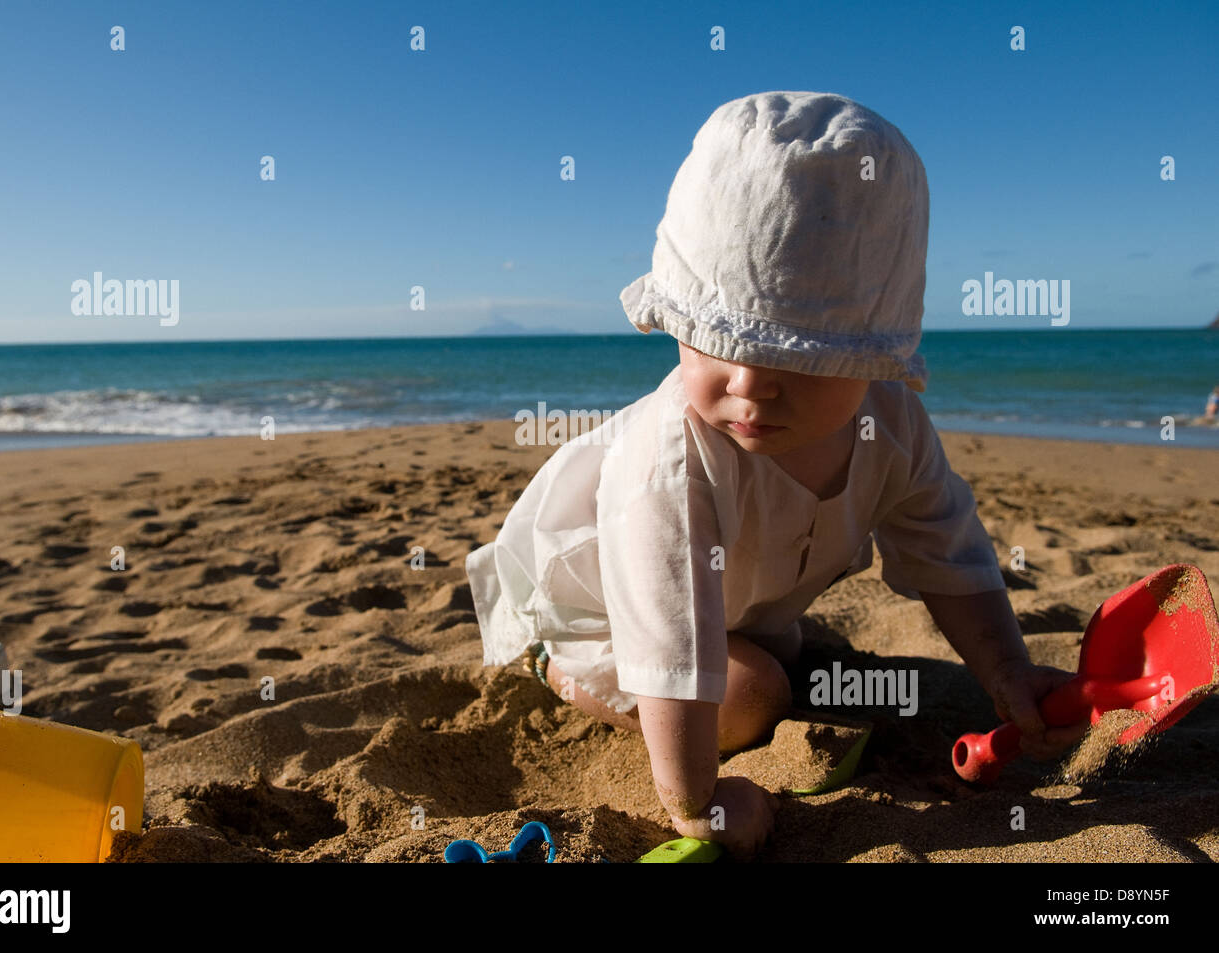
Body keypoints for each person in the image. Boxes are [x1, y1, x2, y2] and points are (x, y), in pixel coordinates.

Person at [464, 91, 1085, 860]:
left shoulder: (889, 425)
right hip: (598, 610)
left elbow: (948, 552)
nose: (751, 385)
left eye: (800, 355)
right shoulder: (667, 464)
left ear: (872, 356)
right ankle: (557, 667)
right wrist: (695, 802)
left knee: (780, 654)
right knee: (757, 691)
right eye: (713, 339)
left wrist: (1008, 672)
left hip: (733, 605)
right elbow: (667, 634)